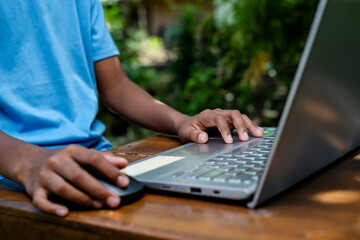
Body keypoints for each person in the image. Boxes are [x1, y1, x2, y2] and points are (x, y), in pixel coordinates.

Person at [0, 0, 263, 217]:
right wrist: (28, 163)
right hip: (14, 174)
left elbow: (115, 84)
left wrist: (183, 121)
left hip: (101, 162)